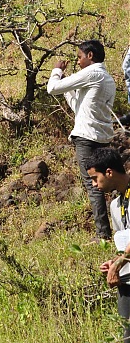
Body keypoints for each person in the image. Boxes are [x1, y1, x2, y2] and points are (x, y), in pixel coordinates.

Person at [47, 40, 116, 240]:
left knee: (93, 184)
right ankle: (119, 229)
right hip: (103, 136)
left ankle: (102, 234)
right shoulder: (107, 79)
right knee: (108, 182)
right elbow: (80, 108)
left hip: (86, 138)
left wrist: (56, 71)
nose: (78, 62)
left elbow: (52, 88)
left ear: (90, 56)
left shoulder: (91, 72)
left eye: (79, 57)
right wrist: (70, 87)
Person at [86, 147, 130, 343]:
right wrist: (115, 261)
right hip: (127, 279)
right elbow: (125, 242)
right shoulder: (114, 205)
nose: (94, 185)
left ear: (109, 172)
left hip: (122, 270)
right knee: (127, 342)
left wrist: (117, 265)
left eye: (95, 178)